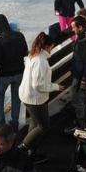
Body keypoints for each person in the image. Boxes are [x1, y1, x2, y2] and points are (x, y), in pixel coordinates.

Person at [19, 33, 65, 163]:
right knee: (44, 125)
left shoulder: (33, 55)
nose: (52, 50)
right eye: (51, 47)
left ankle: (31, 149)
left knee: (35, 122)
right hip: (34, 98)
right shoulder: (40, 61)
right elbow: (38, 84)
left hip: (28, 94)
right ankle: (24, 147)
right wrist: (55, 87)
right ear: (46, 46)